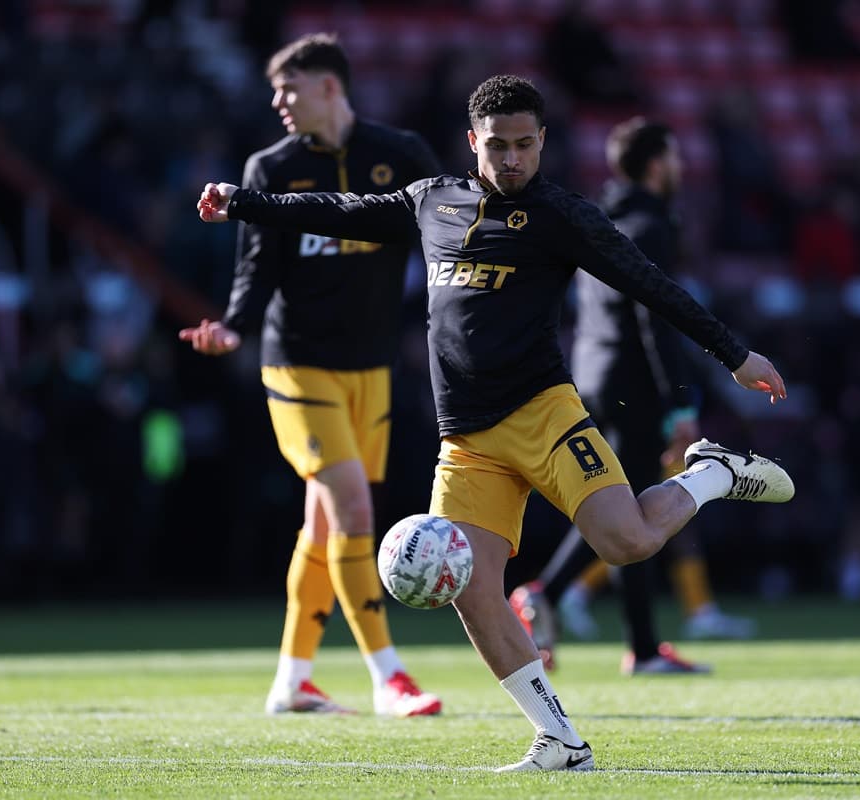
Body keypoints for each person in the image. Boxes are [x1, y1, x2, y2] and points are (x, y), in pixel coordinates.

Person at [195, 74, 794, 772]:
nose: (511, 159)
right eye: (498, 145)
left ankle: (712, 475)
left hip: (543, 414)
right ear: (472, 141)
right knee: (474, 593)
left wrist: (735, 354)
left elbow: (651, 285)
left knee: (627, 541)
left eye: (525, 144)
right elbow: (343, 209)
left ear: (541, 142)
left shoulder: (562, 215)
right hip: (467, 439)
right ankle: (560, 741)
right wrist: (244, 202)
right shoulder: (431, 199)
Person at [178, 33, 443, 718]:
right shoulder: (270, 167)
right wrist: (234, 325)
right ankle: (389, 676)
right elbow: (255, 262)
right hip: (296, 364)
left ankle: (291, 681)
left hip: (371, 368)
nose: (278, 102)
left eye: (289, 89)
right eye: (275, 91)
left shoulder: (401, 155)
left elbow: (448, 236)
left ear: (330, 86)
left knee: (326, 526)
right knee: (354, 507)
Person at [508, 119, 755, 678]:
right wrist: (682, 404)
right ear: (654, 165)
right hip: (633, 382)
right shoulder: (651, 223)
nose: (682, 169)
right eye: (673, 158)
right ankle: (548, 593)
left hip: (594, 372)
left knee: (624, 505)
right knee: (630, 511)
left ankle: (640, 645)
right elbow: (657, 319)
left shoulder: (601, 218)